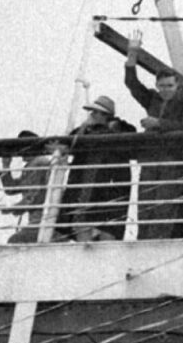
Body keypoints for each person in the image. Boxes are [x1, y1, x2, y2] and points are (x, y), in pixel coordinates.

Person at [125, 30, 183, 239]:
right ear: (157, 87)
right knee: (145, 206)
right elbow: (132, 83)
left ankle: (158, 243)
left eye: (170, 86)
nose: (166, 89)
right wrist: (132, 53)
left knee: (165, 208)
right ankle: (145, 243)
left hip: (173, 163)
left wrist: (158, 123)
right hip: (150, 162)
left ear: (176, 86)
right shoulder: (152, 100)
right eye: (162, 86)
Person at [58, 95, 136, 242]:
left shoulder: (121, 129)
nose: (91, 115)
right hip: (87, 186)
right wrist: (82, 128)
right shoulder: (84, 131)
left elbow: (129, 137)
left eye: (95, 112)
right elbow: (69, 142)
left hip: (108, 187)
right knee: (83, 225)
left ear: (105, 115)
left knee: (108, 230)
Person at [0, 131, 54, 243]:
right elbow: (11, 189)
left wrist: (14, 208)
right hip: (39, 220)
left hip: (42, 221)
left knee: (15, 241)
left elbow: (34, 196)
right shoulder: (34, 164)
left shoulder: (39, 163)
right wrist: (6, 166)